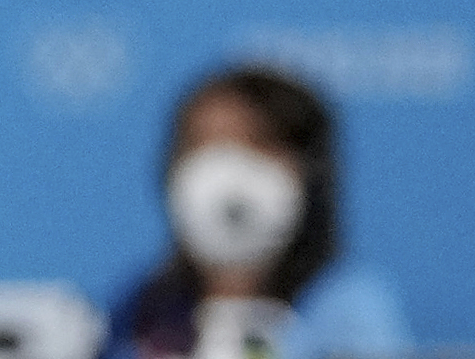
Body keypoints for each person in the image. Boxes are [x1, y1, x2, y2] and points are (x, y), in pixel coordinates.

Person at [106, 67, 410, 359]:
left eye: (255, 142)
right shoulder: (139, 308)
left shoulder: (347, 308)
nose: (227, 171)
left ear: (308, 168)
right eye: (204, 144)